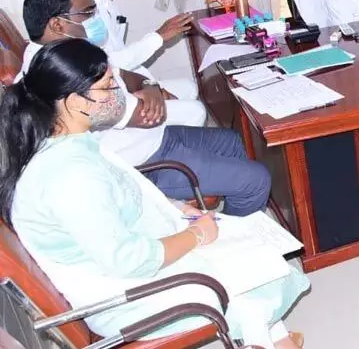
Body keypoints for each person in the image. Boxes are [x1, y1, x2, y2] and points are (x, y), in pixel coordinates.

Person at [1, 40, 309, 348]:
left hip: (133, 260)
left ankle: (272, 339)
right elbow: (127, 260)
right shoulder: (69, 175)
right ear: (74, 102)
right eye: (108, 87)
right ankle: (271, 339)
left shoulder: (69, 141)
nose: (119, 94)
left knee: (253, 254)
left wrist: (175, 208)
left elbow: (120, 193)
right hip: (127, 296)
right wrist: (196, 236)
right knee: (255, 272)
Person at [19, 0, 270, 216]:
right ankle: (237, 238)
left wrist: (149, 85)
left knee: (232, 142)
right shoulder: (54, 73)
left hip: (153, 139)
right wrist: (149, 97)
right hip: (144, 165)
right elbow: (144, 116)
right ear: (57, 24)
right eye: (87, 13)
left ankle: (233, 214)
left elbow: (127, 76)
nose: (94, 19)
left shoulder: (71, 51)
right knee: (256, 180)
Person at [66, 0, 199, 109]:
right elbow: (106, 67)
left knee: (189, 88)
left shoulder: (106, 2)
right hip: (108, 98)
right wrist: (158, 37)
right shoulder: (80, 13)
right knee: (196, 110)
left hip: (124, 82)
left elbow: (122, 58)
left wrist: (151, 85)